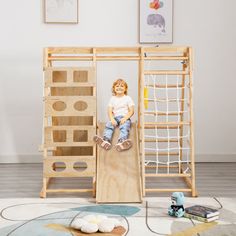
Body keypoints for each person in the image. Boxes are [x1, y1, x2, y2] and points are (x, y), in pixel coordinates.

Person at [93, 78, 134, 151]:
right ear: (114, 88)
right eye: (117, 86)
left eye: (122, 86)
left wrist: (125, 118)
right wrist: (112, 119)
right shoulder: (112, 99)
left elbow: (131, 111)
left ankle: (122, 142)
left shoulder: (128, 98)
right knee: (109, 125)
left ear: (125, 89)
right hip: (115, 117)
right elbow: (109, 110)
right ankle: (106, 140)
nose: (119, 87)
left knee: (124, 127)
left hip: (124, 117)